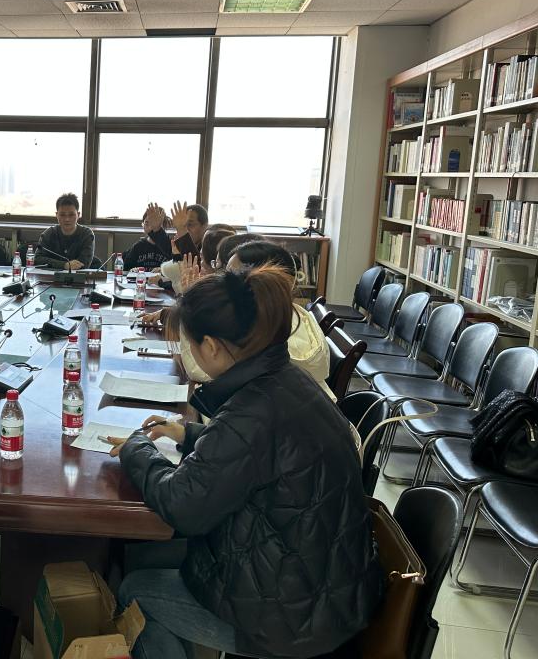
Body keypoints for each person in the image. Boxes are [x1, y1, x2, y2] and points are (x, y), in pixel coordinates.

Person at [107, 266, 382, 659]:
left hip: (295, 619)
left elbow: (182, 505)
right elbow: (263, 455)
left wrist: (136, 447)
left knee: (136, 589)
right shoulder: (286, 378)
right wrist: (188, 434)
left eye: (191, 344)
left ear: (212, 347)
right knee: (141, 554)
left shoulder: (250, 412)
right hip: (331, 588)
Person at [227, 240, 335, 401]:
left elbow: (206, 369)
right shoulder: (291, 313)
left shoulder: (265, 330)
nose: (223, 285)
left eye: (231, 277)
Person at [35, 193, 95, 270]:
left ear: (78, 215)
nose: (67, 219)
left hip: (78, 277)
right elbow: (37, 259)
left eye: (71, 215)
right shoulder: (49, 233)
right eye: (62, 215)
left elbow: (84, 264)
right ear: (57, 215)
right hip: (52, 276)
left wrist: (58, 264)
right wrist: (64, 265)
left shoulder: (86, 234)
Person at [123, 203, 173, 271]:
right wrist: (133, 270)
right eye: (147, 223)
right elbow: (126, 268)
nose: (150, 227)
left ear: (164, 225)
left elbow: (177, 268)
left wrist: (163, 270)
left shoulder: (170, 246)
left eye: (154, 224)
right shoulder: (138, 246)